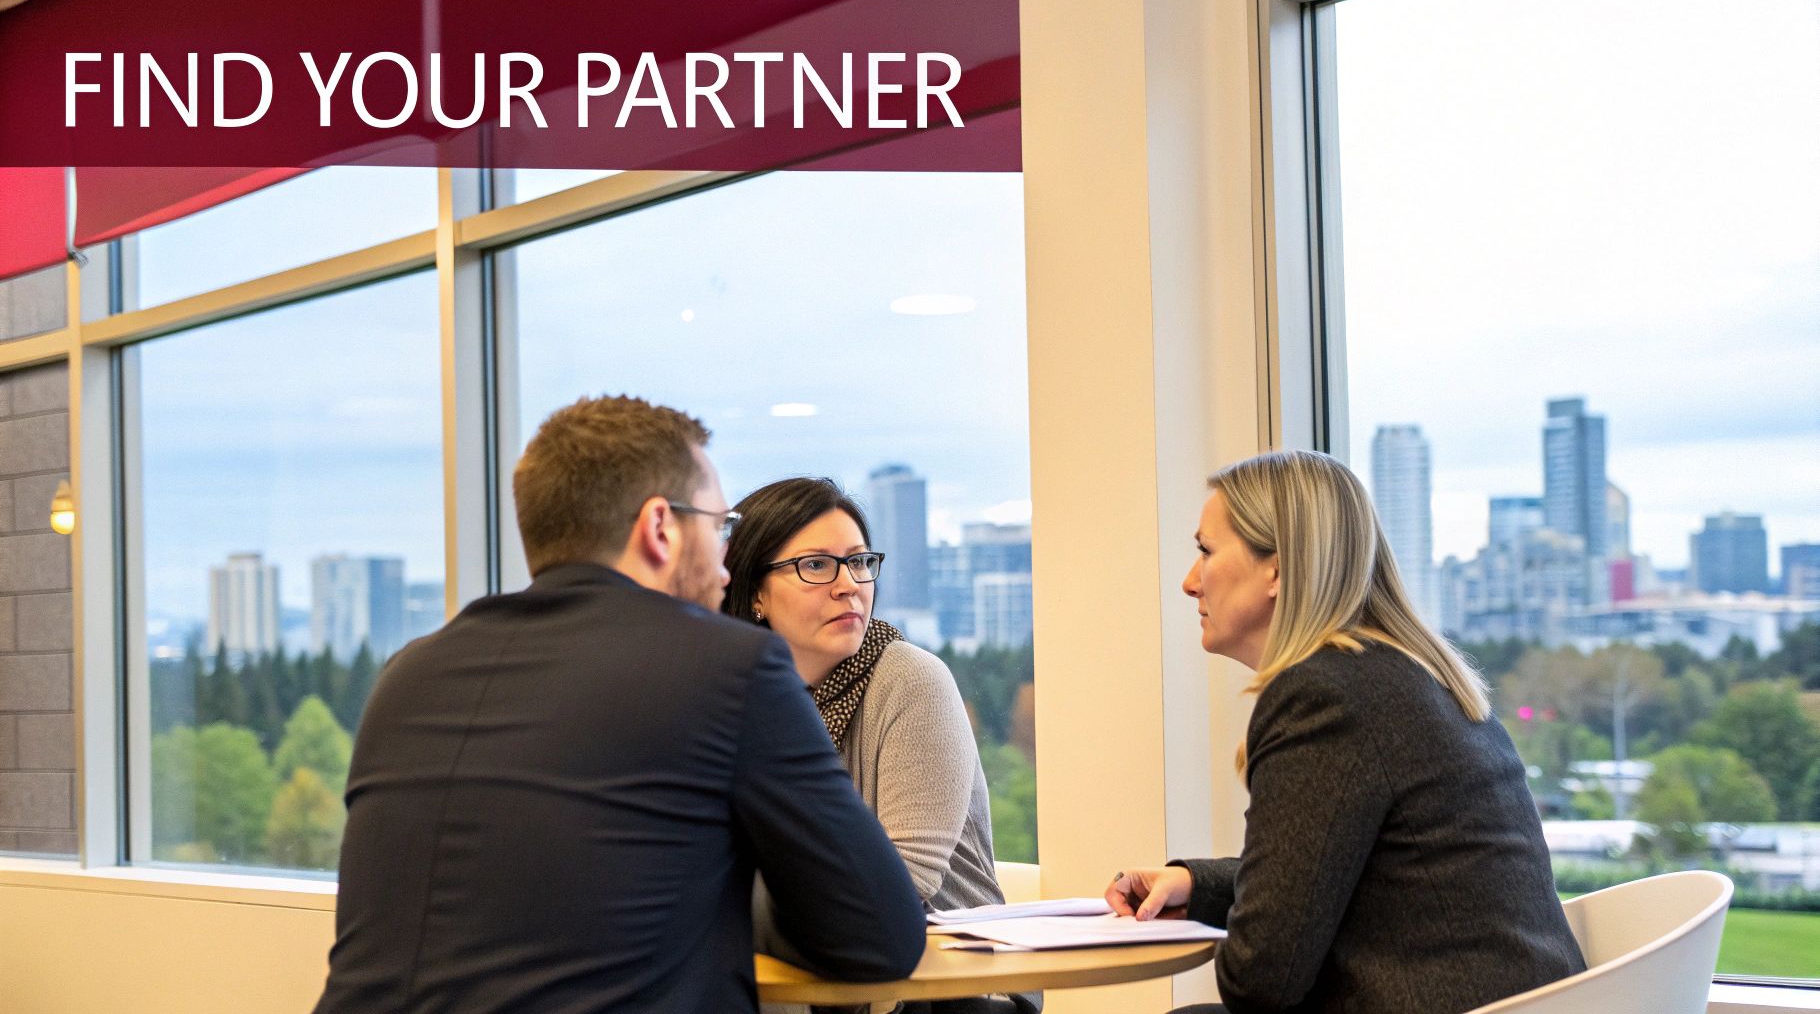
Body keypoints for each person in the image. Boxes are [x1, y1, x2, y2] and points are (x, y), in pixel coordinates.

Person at [315, 397, 925, 1014]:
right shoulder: (728, 667)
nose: (724, 567)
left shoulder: (411, 674)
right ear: (660, 527)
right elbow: (881, 937)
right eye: (719, 528)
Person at [1104, 450, 1585, 1014]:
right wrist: (1200, 884)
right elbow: (1364, 869)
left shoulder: (1323, 696)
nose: (1190, 582)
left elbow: (1259, 982)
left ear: (1277, 569)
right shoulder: (1410, 675)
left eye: (1205, 551)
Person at [722, 477, 1038, 1014]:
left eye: (859, 562)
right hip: (804, 976)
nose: (850, 585)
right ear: (754, 591)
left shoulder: (910, 681)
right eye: (817, 565)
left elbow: (899, 889)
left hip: (949, 989)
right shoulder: (734, 699)